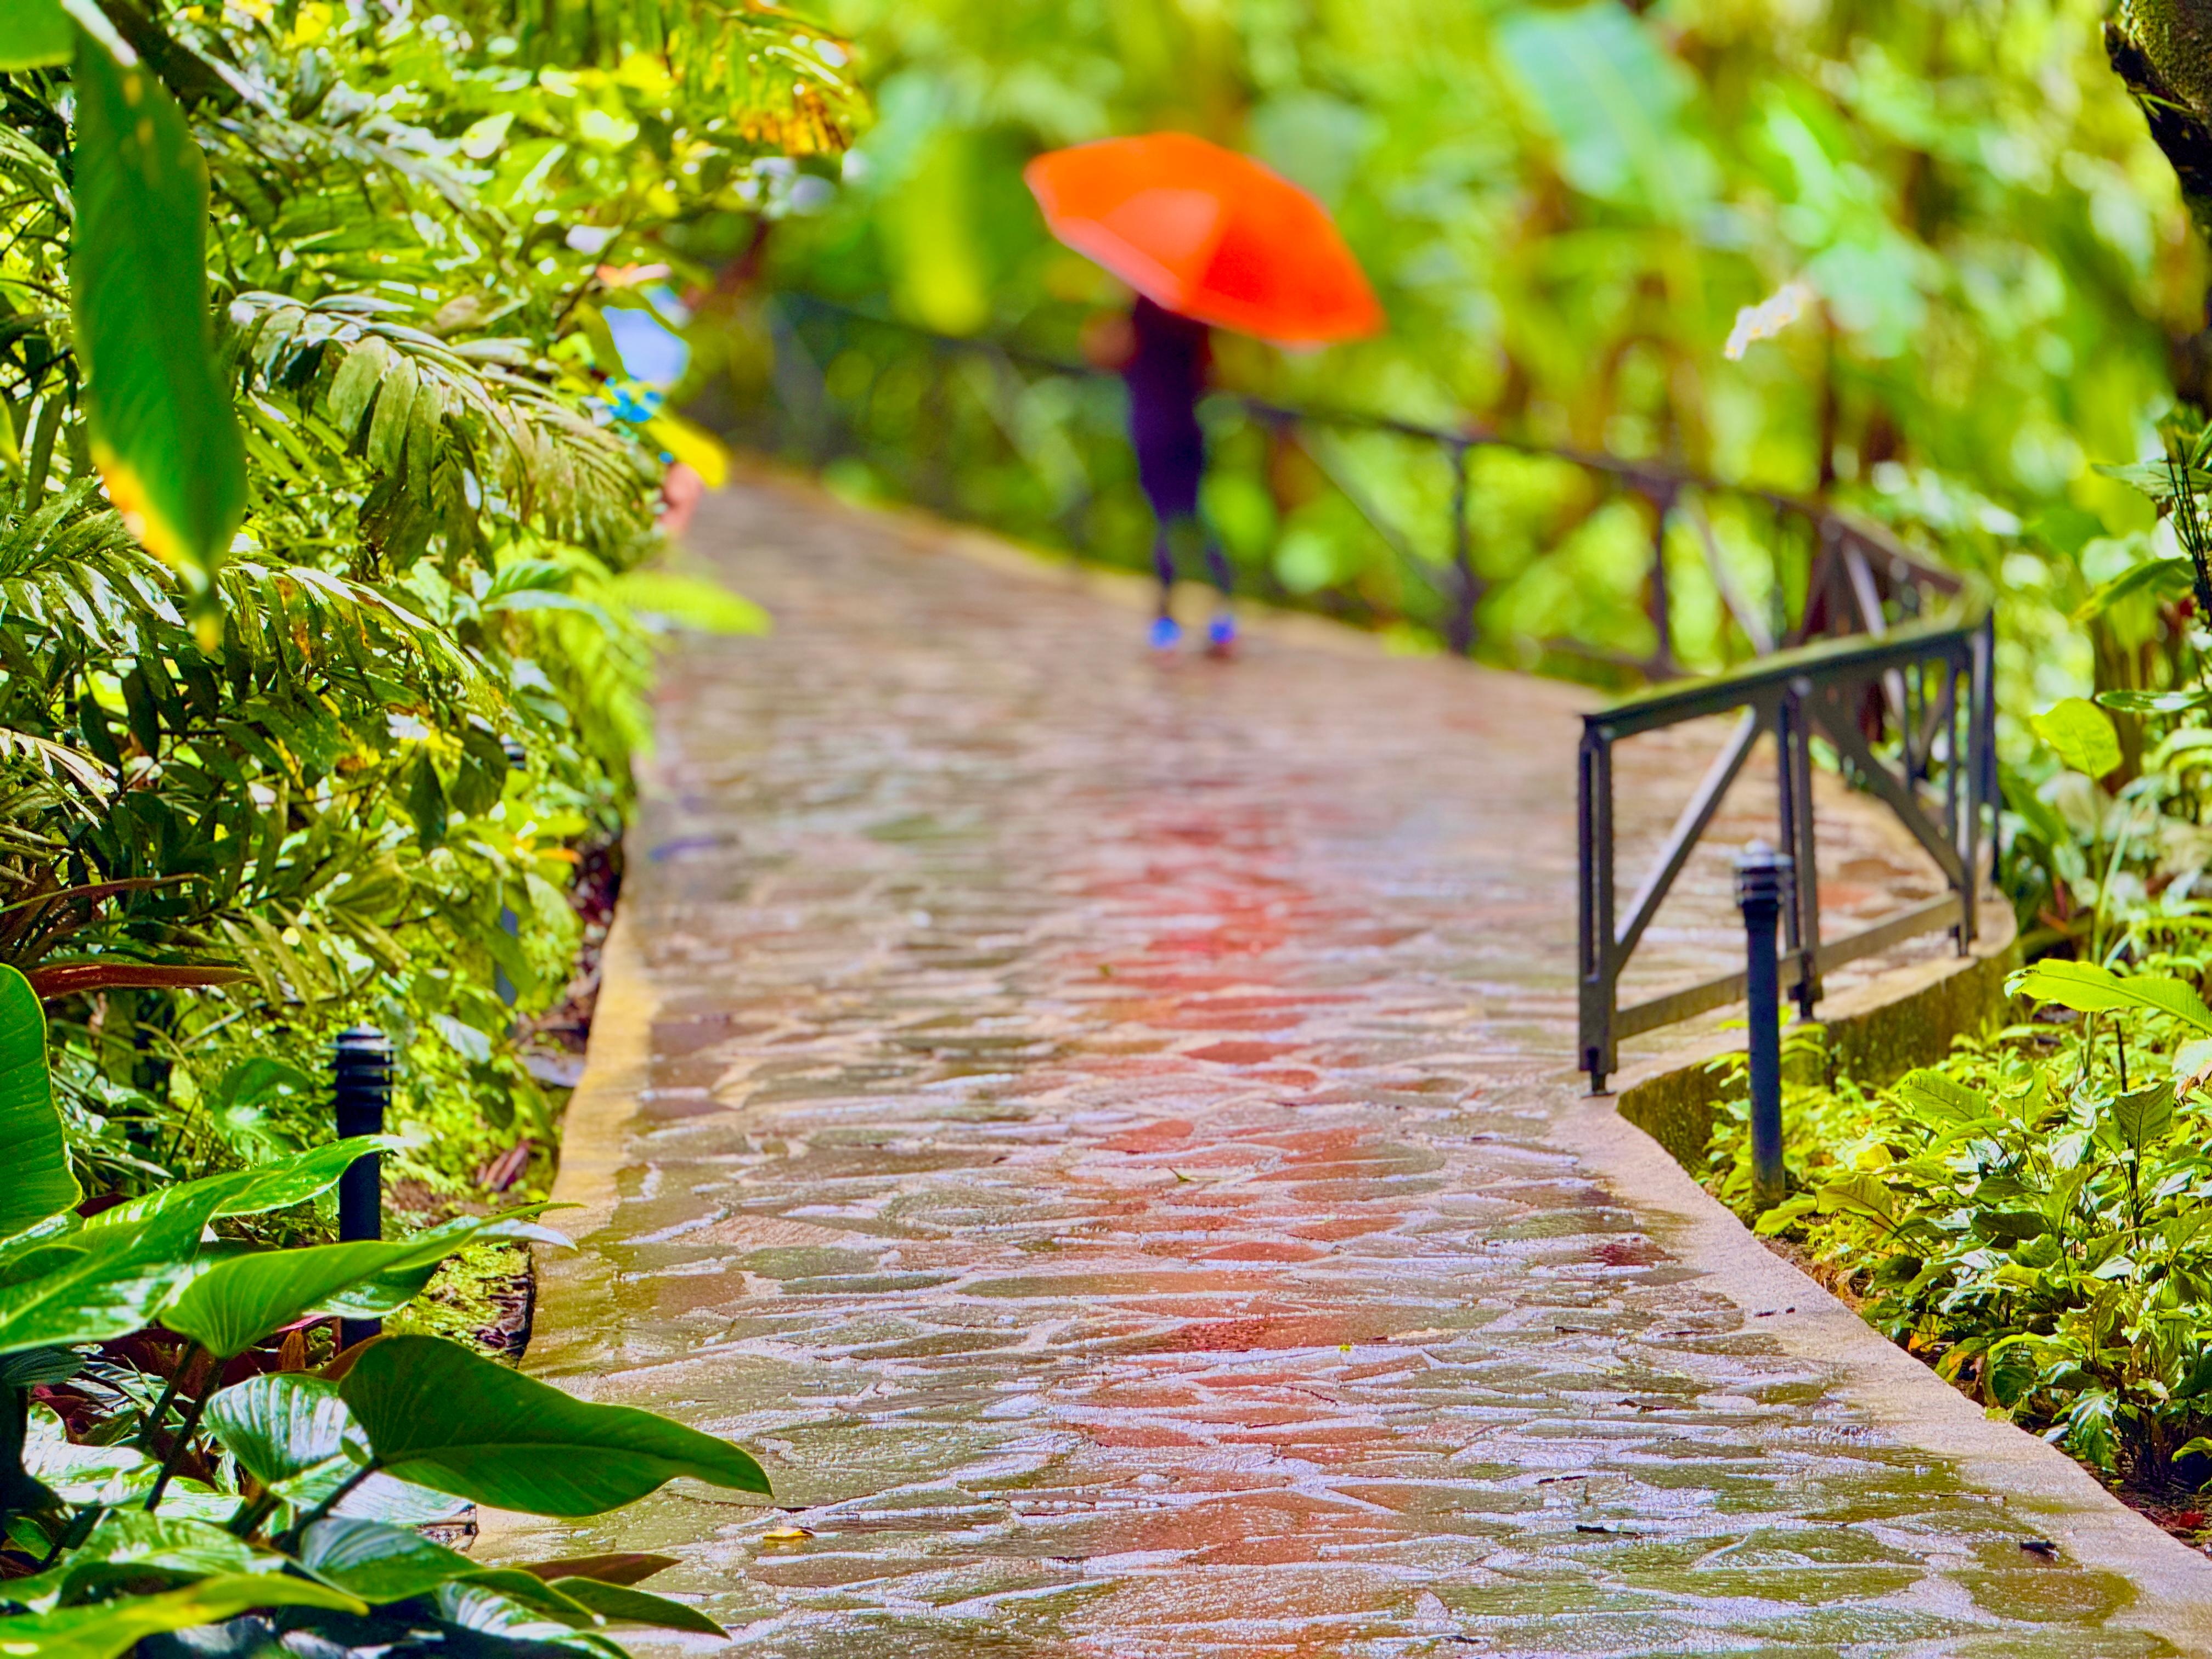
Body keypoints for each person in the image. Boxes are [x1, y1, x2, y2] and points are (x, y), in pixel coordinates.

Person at [1092, 295, 1237, 655]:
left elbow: (1107, 354)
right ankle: (1205, 619)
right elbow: (1212, 374)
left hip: (1155, 430)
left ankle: (1180, 619)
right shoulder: (1198, 312)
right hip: (1188, 432)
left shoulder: (1146, 302)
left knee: (1176, 521)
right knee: (1185, 518)